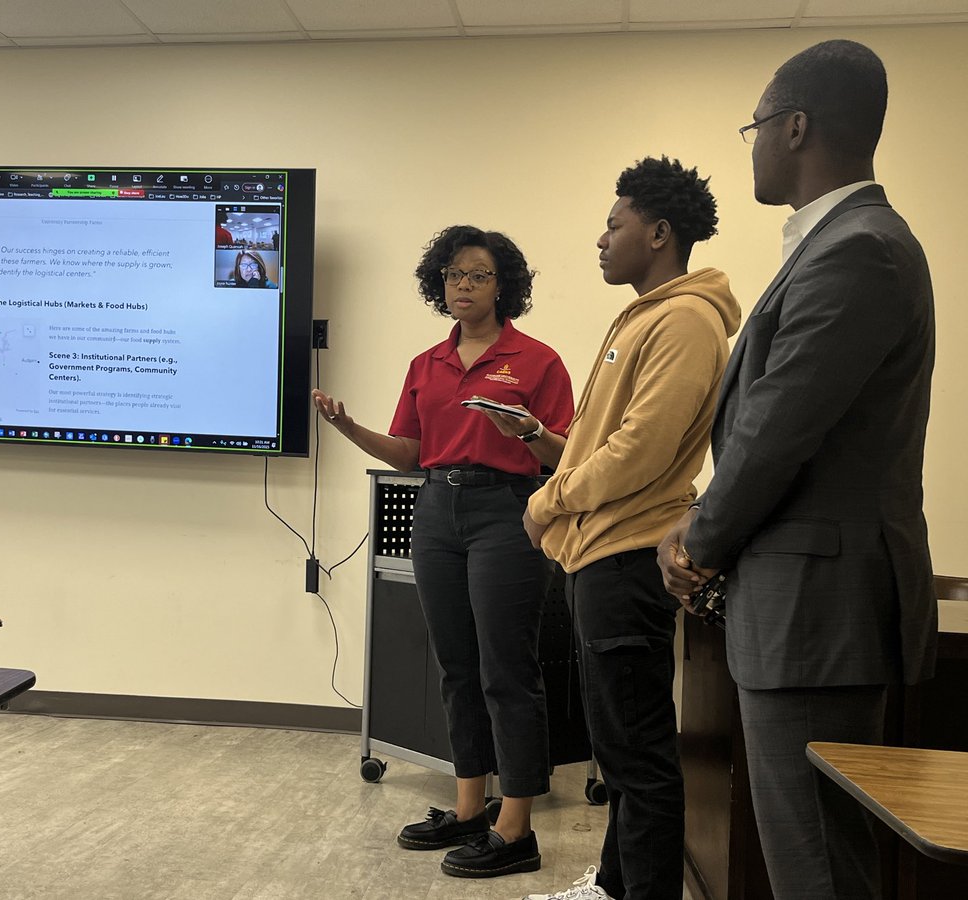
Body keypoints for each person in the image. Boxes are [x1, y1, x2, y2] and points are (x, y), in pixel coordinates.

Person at [657, 40, 937, 900]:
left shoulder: (858, 249)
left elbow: (777, 431)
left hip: (815, 618)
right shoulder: (843, 243)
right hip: (806, 610)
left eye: (756, 127)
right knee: (815, 860)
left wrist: (696, 540)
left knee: (815, 871)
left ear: (795, 126)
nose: (752, 146)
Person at [314, 225, 574, 879]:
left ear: (503, 285)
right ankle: (468, 809)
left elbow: (566, 454)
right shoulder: (427, 363)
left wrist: (529, 431)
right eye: (454, 274)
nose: (464, 285)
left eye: (478, 274)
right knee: (456, 667)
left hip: (506, 511)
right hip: (435, 510)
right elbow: (409, 453)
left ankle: (516, 828)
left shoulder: (537, 360)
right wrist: (347, 426)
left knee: (506, 670)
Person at [518, 158, 738, 900]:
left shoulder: (684, 320)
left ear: (660, 232)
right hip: (600, 555)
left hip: (627, 558)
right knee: (620, 752)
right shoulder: (648, 314)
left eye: (615, 225)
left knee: (638, 759)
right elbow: (605, 440)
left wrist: (548, 501)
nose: (602, 239)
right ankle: (613, 886)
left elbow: (640, 449)